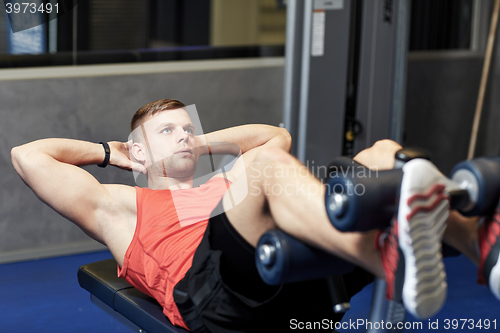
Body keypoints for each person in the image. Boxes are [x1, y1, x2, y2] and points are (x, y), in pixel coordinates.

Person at [10, 99, 500, 332]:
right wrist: (108, 152)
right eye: (167, 132)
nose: (183, 135)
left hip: (284, 270)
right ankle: (391, 258)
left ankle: (485, 251)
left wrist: (197, 142)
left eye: (188, 127)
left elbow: (275, 138)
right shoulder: (120, 206)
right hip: (210, 294)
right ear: (137, 150)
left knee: (384, 155)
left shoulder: (223, 187)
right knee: (268, 168)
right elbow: (27, 156)